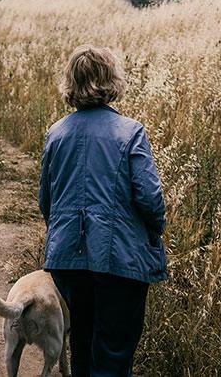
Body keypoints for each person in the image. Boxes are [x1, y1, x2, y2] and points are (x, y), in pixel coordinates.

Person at [39, 44, 168, 377]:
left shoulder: (56, 133)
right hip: (119, 260)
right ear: (111, 80)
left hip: (68, 259)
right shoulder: (131, 132)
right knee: (113, 352)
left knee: (81, 345)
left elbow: (47, 202)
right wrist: (155, 231)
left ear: (71, 82)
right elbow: (150, 200)